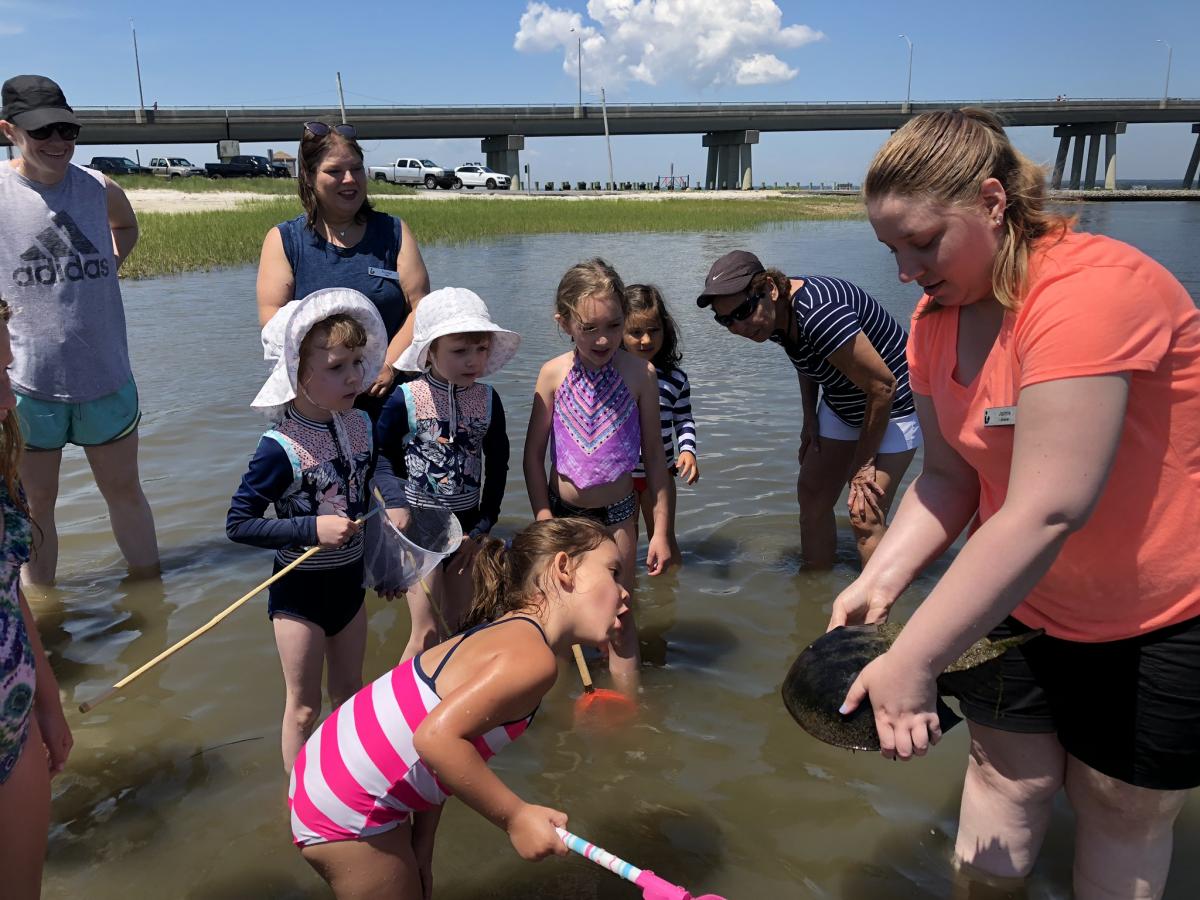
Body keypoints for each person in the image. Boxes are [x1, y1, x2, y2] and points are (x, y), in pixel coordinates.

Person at [831, 108, 1200, 898]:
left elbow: (1046, 507)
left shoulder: (1091, 293)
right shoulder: (934, 321)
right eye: (890, 250)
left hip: (1164, 612)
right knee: (1006, 779)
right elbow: (949, 479)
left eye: (923, 243)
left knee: (1118, 807)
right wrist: (881, 580)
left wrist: (915, 656)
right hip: (1020, 597)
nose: (906, 272)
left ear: (994, 202)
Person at [289, 517, 627, 899]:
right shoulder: (532, 659)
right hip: (348, 804)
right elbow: (435, 740)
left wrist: (422, 848)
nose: (624, 592)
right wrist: (516, 817)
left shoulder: (508, 632)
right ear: (564, 569)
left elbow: (439, 757)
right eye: (613, 572)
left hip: (333, 769)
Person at [226, 288, 405, 773]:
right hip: (299, 593)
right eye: (336, 368)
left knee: (349, 695)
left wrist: (387, 556)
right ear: (298, 376)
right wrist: (309, 527)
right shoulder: (278, 447)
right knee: (303, 708)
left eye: (356, 363)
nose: (354, 376)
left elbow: (372, 485)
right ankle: (299, 804)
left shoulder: (361, 424)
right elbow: (238, 524)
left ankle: (346, 785)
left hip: (349, 585)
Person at [0, 74, 158, 586]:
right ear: (9, 131)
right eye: (42, 131)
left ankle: (152, 596)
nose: (58, 142)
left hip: (105, 377)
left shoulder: (97, 187)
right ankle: (44, 612)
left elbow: (126, 226)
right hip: (28, 385)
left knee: (125, 491)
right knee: (37, 504)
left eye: (68, 130)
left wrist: (111, 263)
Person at [698, 250, 921, 569]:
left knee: (864, 513)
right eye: (725, 320)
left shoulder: (818, 313)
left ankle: (876, 613)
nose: (739, 326)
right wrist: (810, 419)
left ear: (770, 289)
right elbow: (807, 357)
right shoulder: (773, 318)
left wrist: (863, 464)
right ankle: (814, 592)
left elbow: (883, 387)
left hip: (892, 408)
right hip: (843, 402)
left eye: (743, 311)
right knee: (812, 495)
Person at [524, 259, 671, 697]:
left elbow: (657, 459)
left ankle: (626, 707)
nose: (604, 338)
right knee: (557, 620)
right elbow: (533, 458)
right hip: (563, 519)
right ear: (564, 322)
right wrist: (543, 516)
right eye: (589, 328)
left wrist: (660, 531)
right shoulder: (552, 374)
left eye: (614, 324)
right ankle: (566, 700)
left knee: (620, 619)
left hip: (619, 519)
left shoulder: (641, 374)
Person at [377, 286, 520, 662]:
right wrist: (395, 503)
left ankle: (450, 699)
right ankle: (403, 711)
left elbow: (499, 462)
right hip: (417, 527)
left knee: (458, 625)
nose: (473, 361)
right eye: (460, 351)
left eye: (481, 349)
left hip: (469, 525)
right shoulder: (405, 398)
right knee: (425, 631)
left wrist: (487, 520)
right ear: (430, 351)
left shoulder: (489, 400)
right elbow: (380, 458)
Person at [256, 120, 431, 419]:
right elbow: (274, 324)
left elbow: (422, 308)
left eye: (356, 169)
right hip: (318, 405)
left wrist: (385, 366)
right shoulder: (284, 240)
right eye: (334, 171)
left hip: (391, 398)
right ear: (309, 177)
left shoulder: (394, 231)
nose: (349, 180)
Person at [0, 298, 73, 899]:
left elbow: (9, 594)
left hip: (14, 722)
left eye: (6, 371)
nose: (8, 399)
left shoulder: (2, 466)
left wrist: (48, 701)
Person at [623, 284, 698, 566]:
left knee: (665, 543)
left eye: (653, 330)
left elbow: (684, 418)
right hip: (621, 478)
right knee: (623, 547)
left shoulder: (676, 378)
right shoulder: (614, 377)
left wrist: (688, 450)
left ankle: (668, 601)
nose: (645, 340)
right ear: (619, 333)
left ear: (665, 330)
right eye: (635, 332)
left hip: (662, 474)